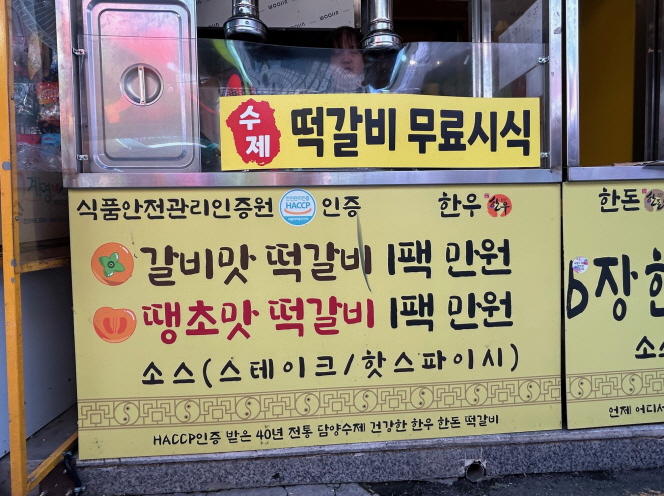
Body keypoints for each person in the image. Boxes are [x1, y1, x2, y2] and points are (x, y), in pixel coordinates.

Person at [327, 26, 365, 92]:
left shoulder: (376, 93)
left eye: (353, 51)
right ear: (329, 60)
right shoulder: (317, 93)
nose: (346, 60)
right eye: (338, 52)